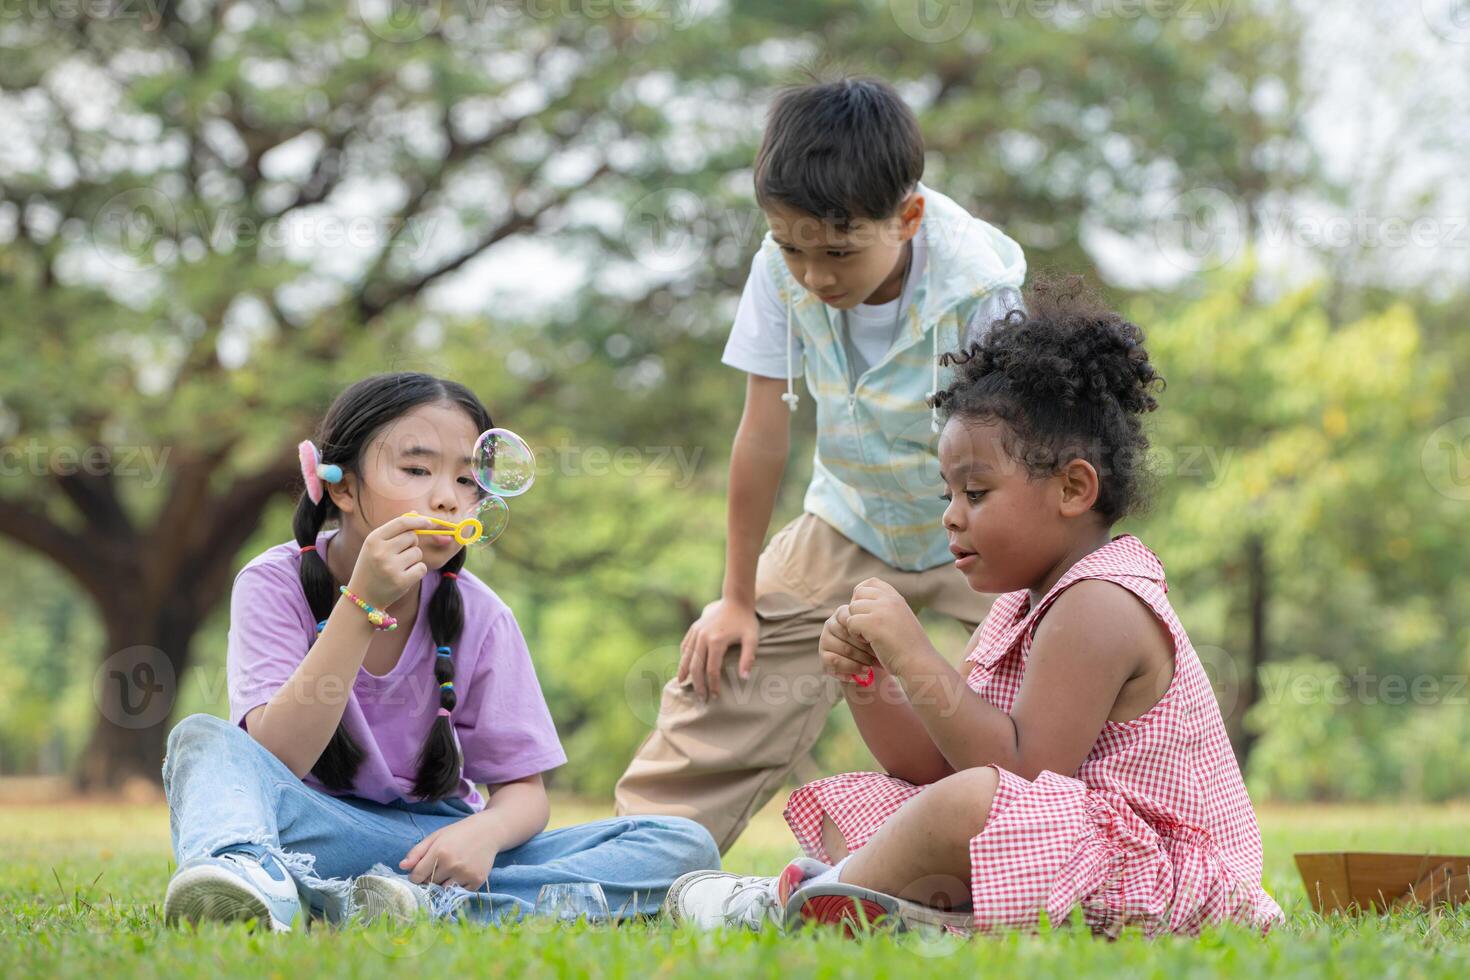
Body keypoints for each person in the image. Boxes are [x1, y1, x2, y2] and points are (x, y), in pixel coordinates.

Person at [663, 279, 1283, 937]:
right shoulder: (1024, 603)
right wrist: (869, 678)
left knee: (971, 806)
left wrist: (916, 652)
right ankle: (914, 915)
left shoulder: (1101, 603)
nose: (952, 519)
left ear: (1073, 487)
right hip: (1071, 852)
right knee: (881, 803)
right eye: (947, 496)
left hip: (1163, 876)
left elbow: (1018, 773)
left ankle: (794, 905)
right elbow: (933, 766)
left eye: (976, 493)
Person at [615, 75, 1026, 853]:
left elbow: (1017, 459)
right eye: (793, 248)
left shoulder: (982, 289)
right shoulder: (781, 268)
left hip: (981, 524)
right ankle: (630, 859)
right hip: (851, 515)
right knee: (725, 666)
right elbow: (762, 432)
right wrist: (735, 598)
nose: (815, 276)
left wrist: (1027, 582)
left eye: (838, 251)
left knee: (1050, 682)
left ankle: (1044, 844)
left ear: (907, 218)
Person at [162, 372, 718, 931]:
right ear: (342, 488)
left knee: (681, 844)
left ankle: (423, 904)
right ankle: (252, 877)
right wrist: (360, 605)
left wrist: (484, 833)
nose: (448, 497)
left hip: (438, 846)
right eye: (416, 470)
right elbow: (278, 758)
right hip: (317, 829)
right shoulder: (271, 584)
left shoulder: (481, 613)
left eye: (466, 479)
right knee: (202, 740)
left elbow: (524, 794)